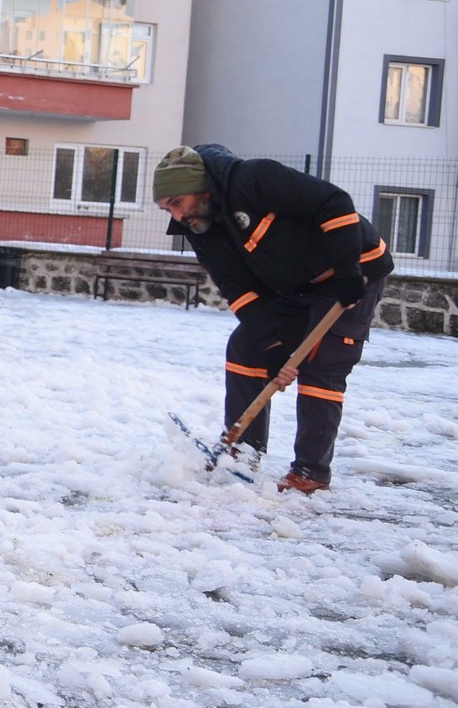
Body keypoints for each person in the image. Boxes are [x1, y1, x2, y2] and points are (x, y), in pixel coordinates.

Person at [153, 144, 392, 493]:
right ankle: (243, 450)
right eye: (166, 209)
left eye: (176, 203)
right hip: (293, 286)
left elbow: (334, 202)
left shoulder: (254, 180)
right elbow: (240, 292)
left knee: (321, 361)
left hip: (354, 268)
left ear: (199, 188)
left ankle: (310, 473)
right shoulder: (199, 228)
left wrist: (347, 270)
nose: (175, 216)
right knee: (247, 347)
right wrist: (273, 344)